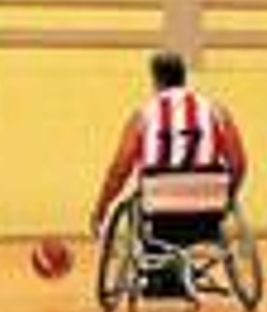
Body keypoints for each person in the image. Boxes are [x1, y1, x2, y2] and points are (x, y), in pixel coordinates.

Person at [88, 51, 247, 289]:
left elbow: (119, 168)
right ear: (184, 77)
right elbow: (239, 163)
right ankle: (177, 273)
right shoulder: (216, 111)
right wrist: (228, 196)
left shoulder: (144, 114)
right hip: (208, 209)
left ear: (156, 80)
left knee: (141, 203)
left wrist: (101, 208)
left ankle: (162, 274)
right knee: (198, 204)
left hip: (160, 210)